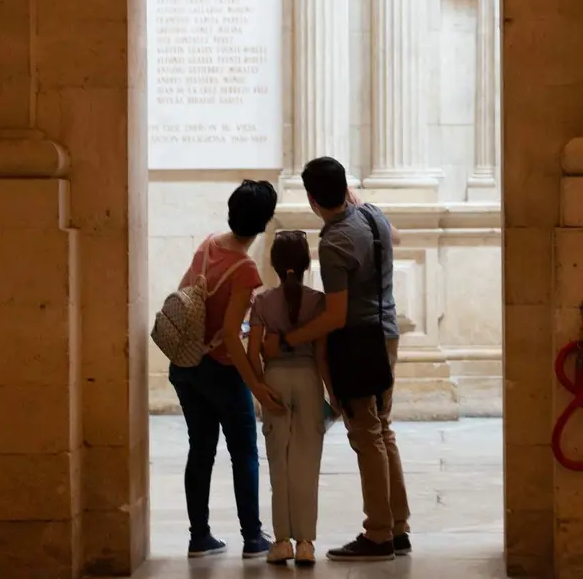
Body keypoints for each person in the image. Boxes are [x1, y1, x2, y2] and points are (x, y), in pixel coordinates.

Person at [261, 157, 411, 562]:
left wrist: (289, 339)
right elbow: (394, 237)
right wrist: (359, 205)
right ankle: (398, 526)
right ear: (346, 188)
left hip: (360, 342)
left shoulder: (334, 244)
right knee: (383, 429)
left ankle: (378, 533)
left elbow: (336, 314)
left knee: (366, 434)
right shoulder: (373, 215)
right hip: (387, 332)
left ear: (311, 200)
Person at [168, 179, 283, 559]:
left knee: (200, 451)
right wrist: (257, 386)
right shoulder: (245, 269)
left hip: (186, 366)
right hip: (221, 371)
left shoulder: (208, 244)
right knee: (244, 453)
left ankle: (199, 536)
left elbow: (188, 297)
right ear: (265, 222)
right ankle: (252, 537)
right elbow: (232, 337)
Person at [246, 230, 336, 566]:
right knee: (307, 466)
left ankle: (281, 541)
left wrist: (260, 385)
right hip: (310, 380)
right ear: (306, 263)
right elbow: (323, 355)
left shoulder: (263, 301)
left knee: (279, 465)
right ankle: (306, 543)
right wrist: (333, 395)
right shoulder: (318, 301)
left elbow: (252, 351)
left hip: (276, 379)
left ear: (274, 263)